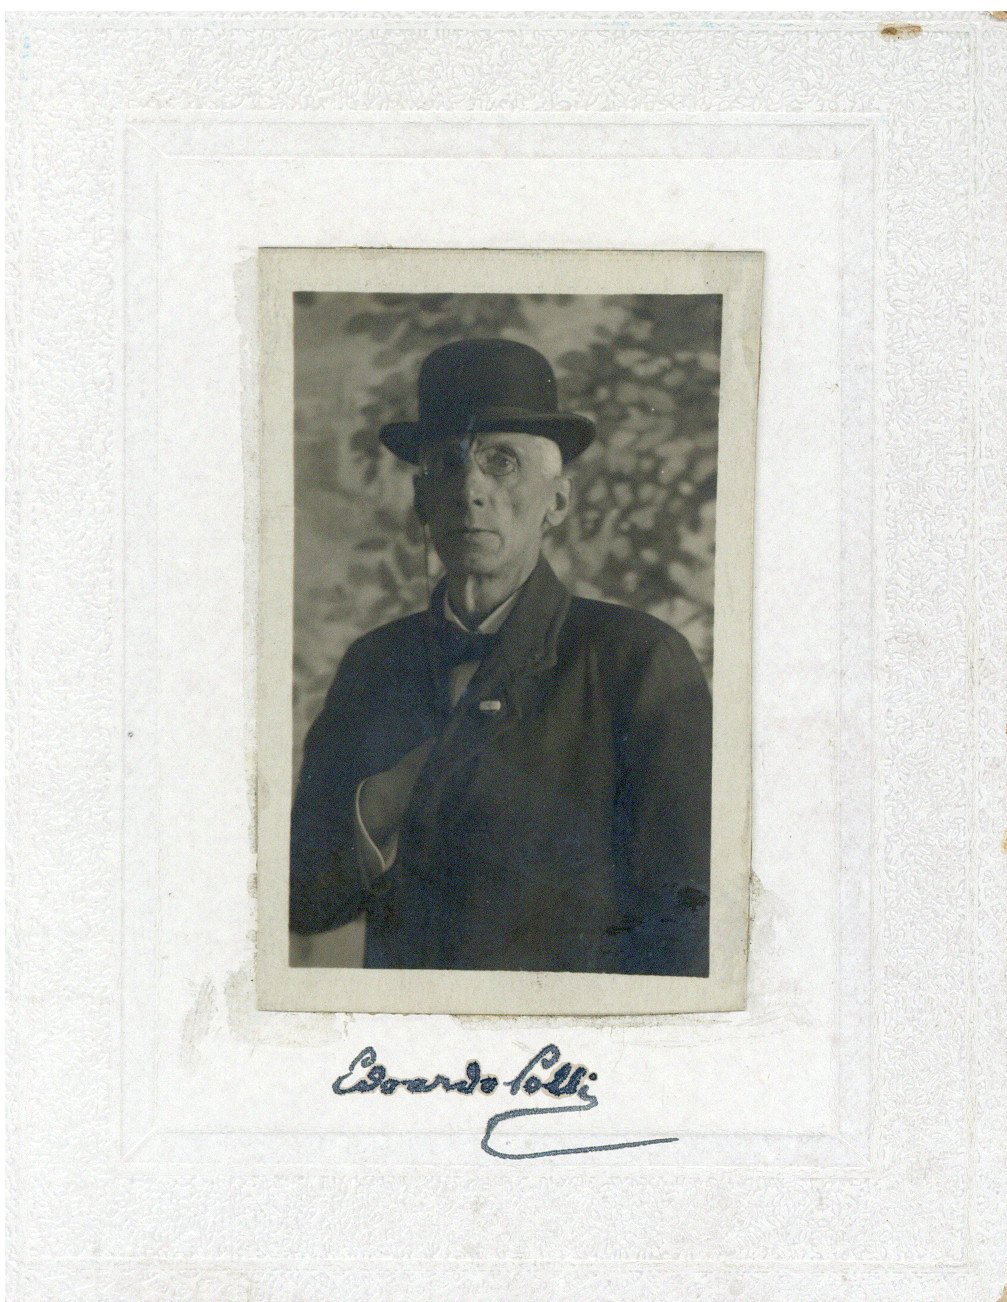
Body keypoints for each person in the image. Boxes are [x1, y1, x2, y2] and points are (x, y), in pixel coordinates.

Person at [289, 337, 712, 975]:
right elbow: (304, 899)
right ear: (422, 501)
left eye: (502, 462)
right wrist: (381, 803)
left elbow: (686, 930)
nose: (471, 490)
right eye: (448, 465)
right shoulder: (374, 665)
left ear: (558, 501)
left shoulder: (638, 661)